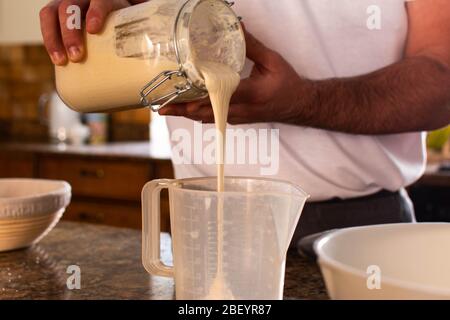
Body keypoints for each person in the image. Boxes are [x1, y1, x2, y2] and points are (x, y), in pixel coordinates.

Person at [40, 0, 450, 246]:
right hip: (207, 228)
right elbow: (120, 17)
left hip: (361, 232)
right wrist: (94, 17)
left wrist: (305, 101)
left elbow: (442, 76)